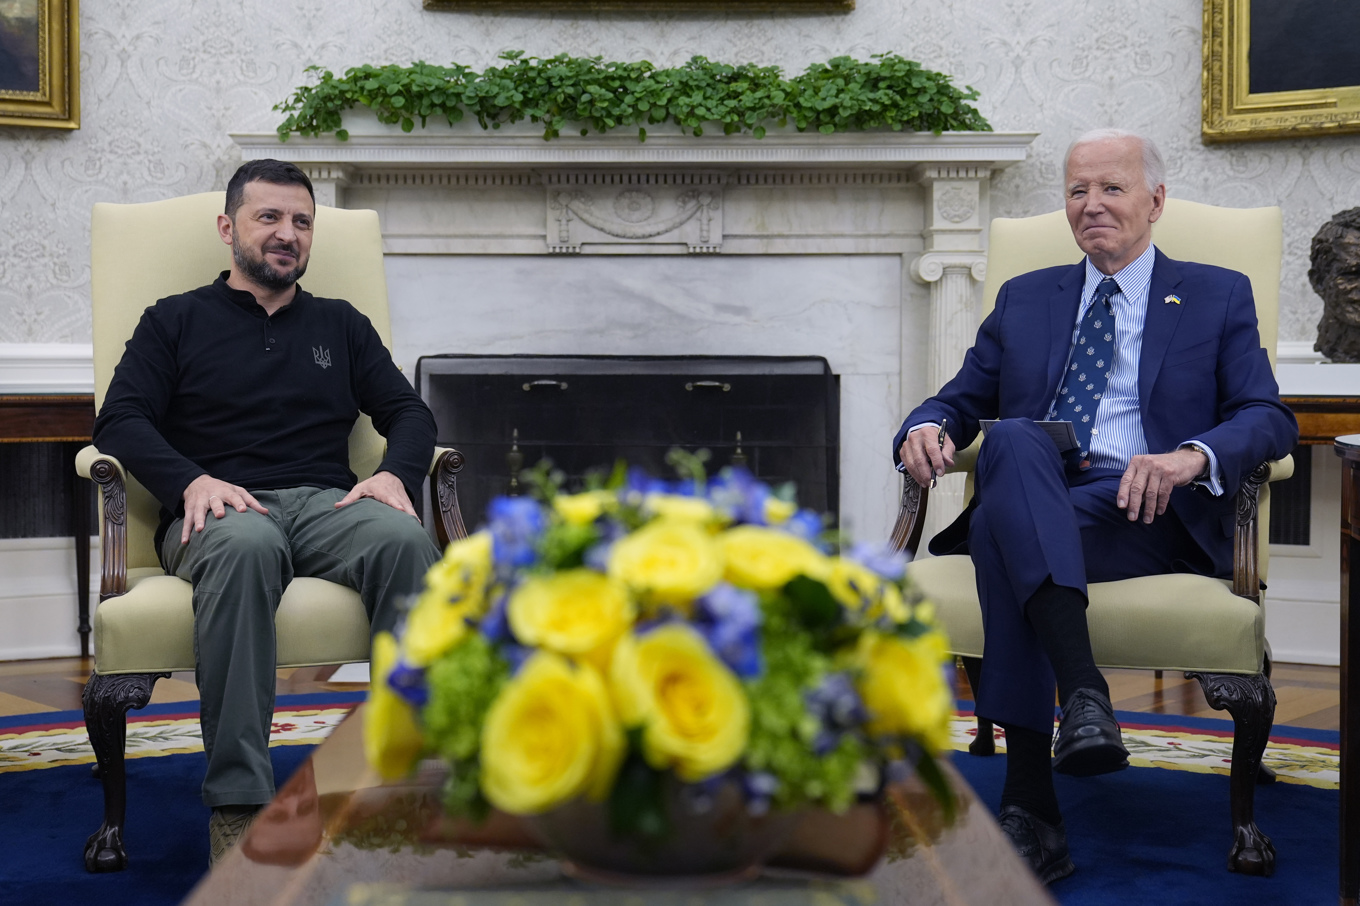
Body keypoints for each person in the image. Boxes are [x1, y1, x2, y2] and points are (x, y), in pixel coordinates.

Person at [893, 129, 1297, 883]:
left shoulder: (1215, 292)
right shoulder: (1026, 298)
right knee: (1013, 440)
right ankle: (1084, 696)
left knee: (1004, 530)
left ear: (1156, 200)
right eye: (1078, 190)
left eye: (1111, 188)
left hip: (1147, 516)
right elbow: (958, 400)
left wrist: (1188, 458)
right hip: (1039, 494)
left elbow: (1268, 416)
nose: (1092, 205)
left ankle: (1030, 805)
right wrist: (925, 427)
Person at [92, 159, 441, 866]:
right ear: (229, 228)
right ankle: (241, 803)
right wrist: (189, 481)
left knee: (404, 539)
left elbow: (407, 410)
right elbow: (120, 418)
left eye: (302, 222)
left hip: (325, 503)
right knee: (247, 545)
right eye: (269, 218)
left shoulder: (341, 325)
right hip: (219, 507)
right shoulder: (175, 320)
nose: (288, 234)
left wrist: (394, 476)